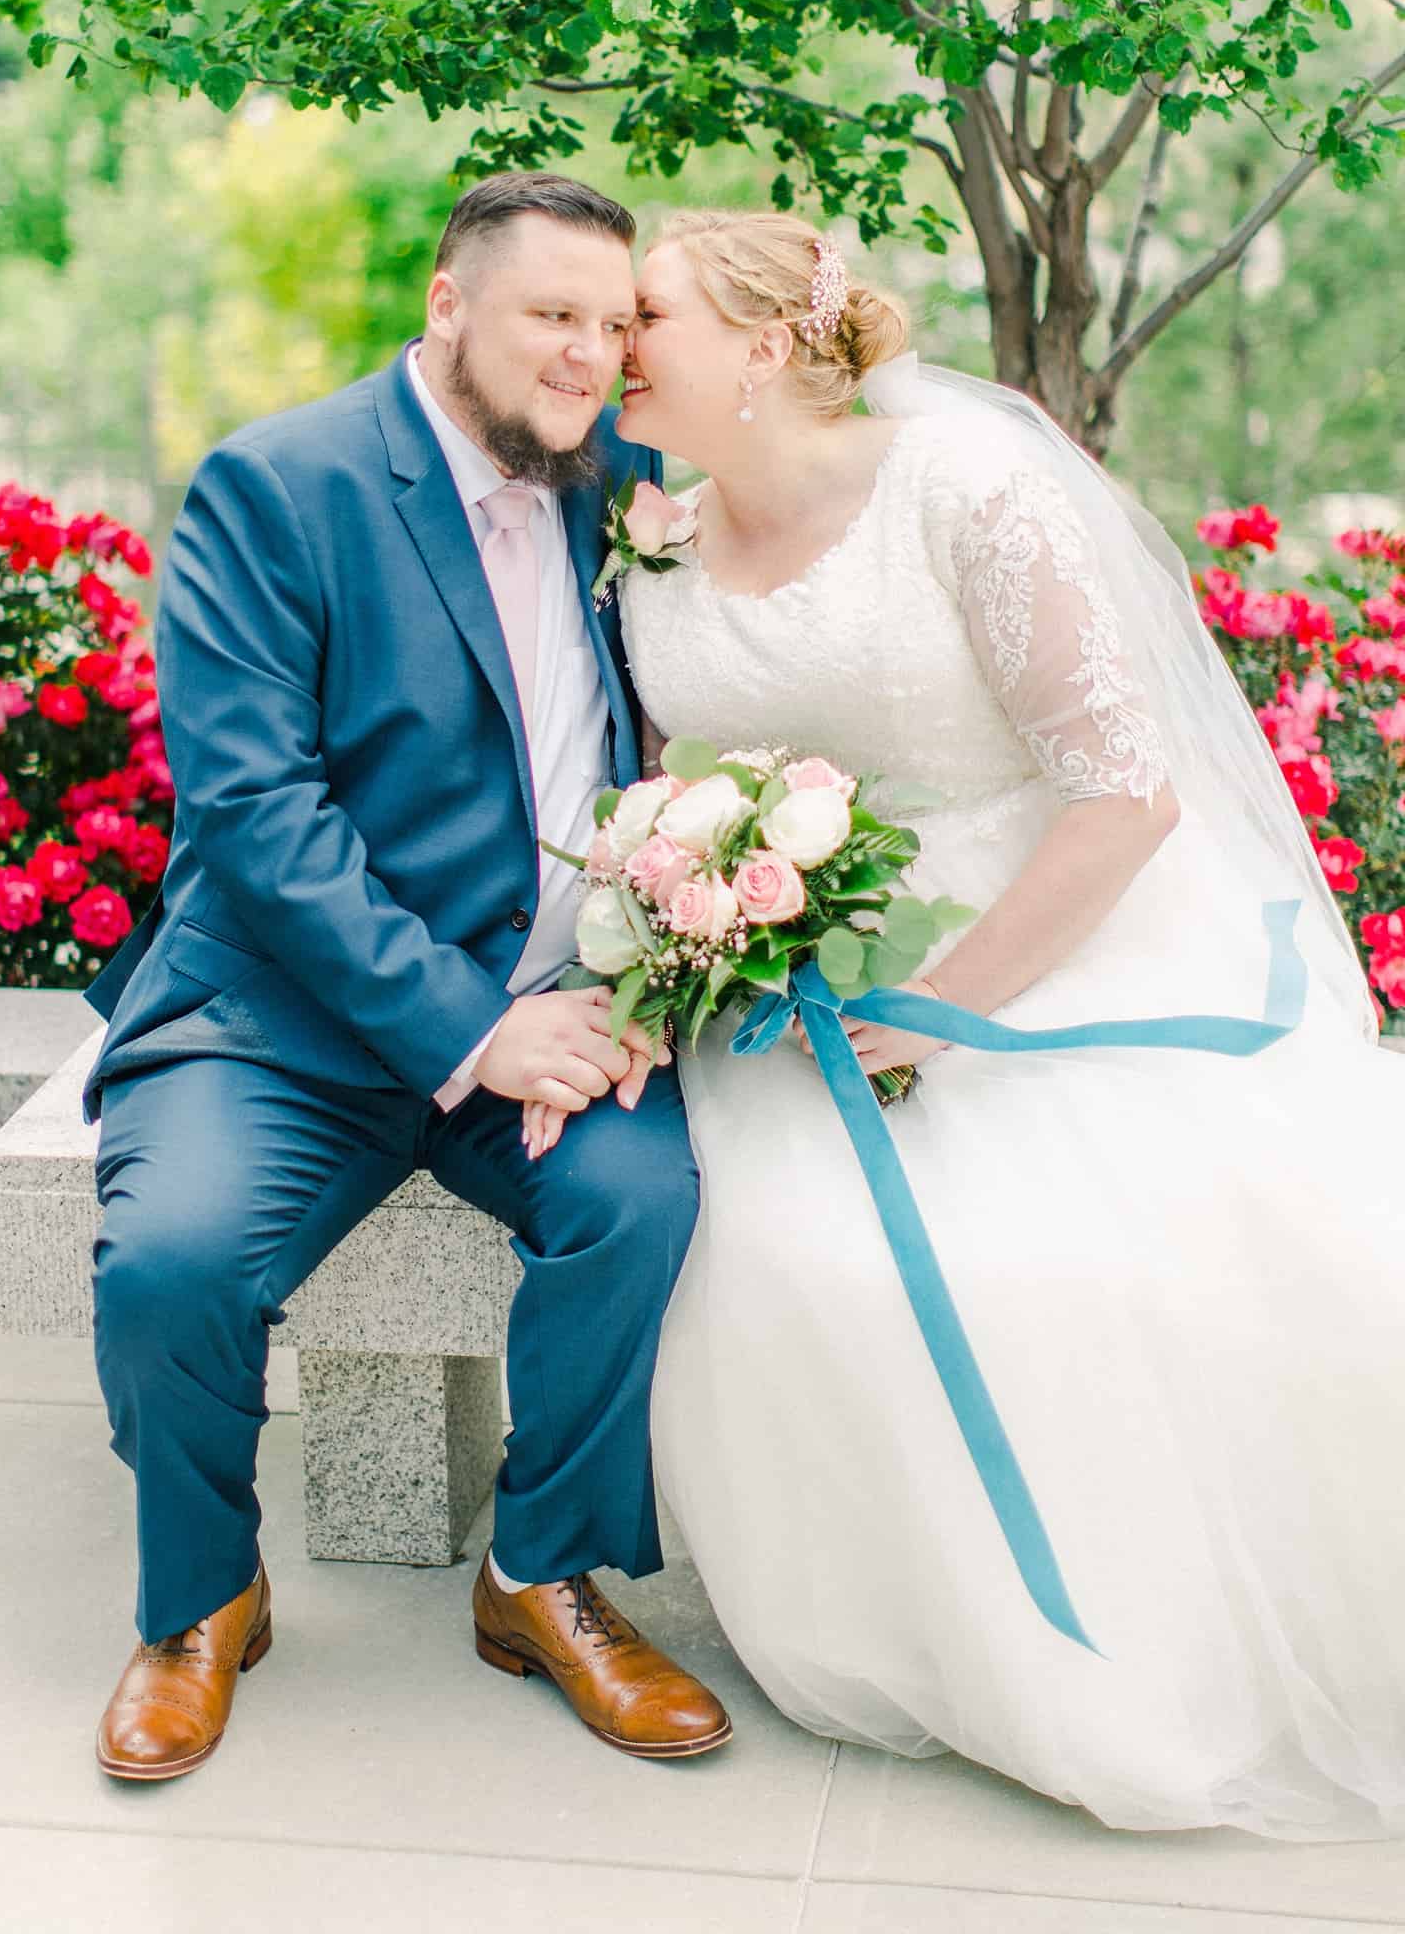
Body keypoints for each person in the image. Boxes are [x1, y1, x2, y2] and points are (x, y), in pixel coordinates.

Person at [600, 205, 1405, 1839]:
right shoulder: (656, 537)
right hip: (784, 979)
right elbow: (676, 773)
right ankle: (900, 1628)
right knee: (773, 1252)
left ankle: (1139, 1643)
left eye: (646, 317)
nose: (613, 347)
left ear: (763, 349)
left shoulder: (967, 490)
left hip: (1049, 932)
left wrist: (944, 1019)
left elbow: (1121, 795)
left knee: (1085, 1259)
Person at [80, 172, 731, 1782]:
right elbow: (255, 818)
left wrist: (647, 966)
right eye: (550, 317)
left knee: (641, 1204)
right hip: (284, 1027)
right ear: (449, 306)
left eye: (608, 322)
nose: (587, 355)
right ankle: (203, 1598)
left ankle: (539, 1575)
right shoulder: (277, 487)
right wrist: (472, 1030)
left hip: (561, 1009)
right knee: (167, 1268)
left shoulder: (628, 489)